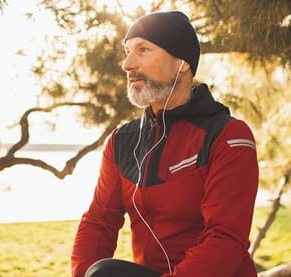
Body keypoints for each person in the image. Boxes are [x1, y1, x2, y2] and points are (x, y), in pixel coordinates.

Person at [71, 11, 259, 277]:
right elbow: (99, 222)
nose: (127, 64)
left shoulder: (229, 136)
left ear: (182, 62)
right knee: (99, 272)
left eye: (143, 50)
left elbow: (225, 239)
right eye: (127, 51)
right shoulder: (122, 141)